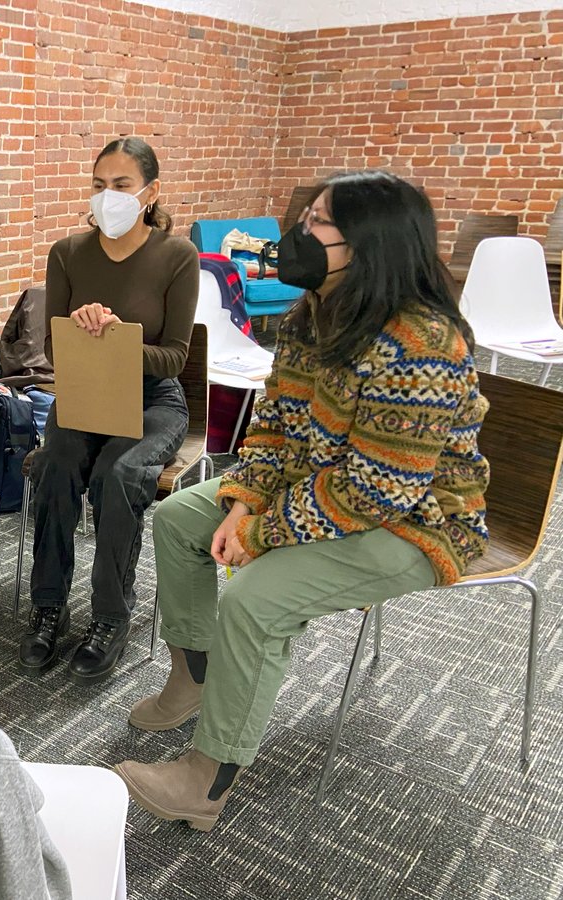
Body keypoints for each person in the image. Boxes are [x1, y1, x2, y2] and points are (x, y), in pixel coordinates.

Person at [116, 170, 490, 831]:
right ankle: (195, 676)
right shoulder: (314, 312)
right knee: (178, 519)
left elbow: (379, 490)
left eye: (317, 222)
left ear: (370, 244)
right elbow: (273, 425)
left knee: (257, 599)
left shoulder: (422, 343)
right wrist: (240, 503)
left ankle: (210, 777)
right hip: (320, 485)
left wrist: (259, 535)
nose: (297, 235)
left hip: (418, 523)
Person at [21, 137, 198, 684]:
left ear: (150, 193)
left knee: (118, 475)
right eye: (99, 185)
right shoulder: (68, 253)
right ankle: (49, 605)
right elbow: (51, 350)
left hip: (152, 398)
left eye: (121, 186)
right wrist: (81, 333)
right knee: (54, 466)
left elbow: (175, 356)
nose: (107, 197)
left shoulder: (177, 256)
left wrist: (119, 338)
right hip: (86, 392)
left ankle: (110, 616)